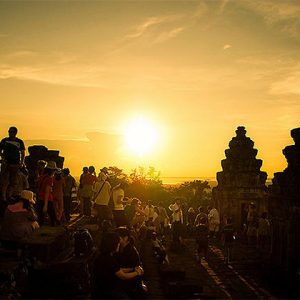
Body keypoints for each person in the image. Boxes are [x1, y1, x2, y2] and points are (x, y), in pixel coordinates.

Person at [93, 232, 144, 299]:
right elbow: (123, 276)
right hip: (107, 290)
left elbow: (118, 269)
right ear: (112, 245)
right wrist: (137, 272)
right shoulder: (109, 259)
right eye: (118, 243)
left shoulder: (103, 256)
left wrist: (133, 269)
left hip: (100, 288)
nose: (119, 245)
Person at [0, 126, 25, 201]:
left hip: (15, 164)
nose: (10, 133)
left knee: (13, 181)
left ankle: (9, 195)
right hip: (6, 163)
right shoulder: (4, 140)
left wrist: (21, 162)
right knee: (4, 180)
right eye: (9, 132)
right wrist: (3, 158)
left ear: (15, 133)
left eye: (12, 132)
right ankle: (3, 197)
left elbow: (23, 152)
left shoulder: (19, 142)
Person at [37, 161, 57, 226]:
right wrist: (45, 205)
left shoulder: (41, 177)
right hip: (47, 199)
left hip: (40, 198)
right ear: (52, 170)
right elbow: (47, 191)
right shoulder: (49, 179)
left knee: (40, 218)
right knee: (53, 217)